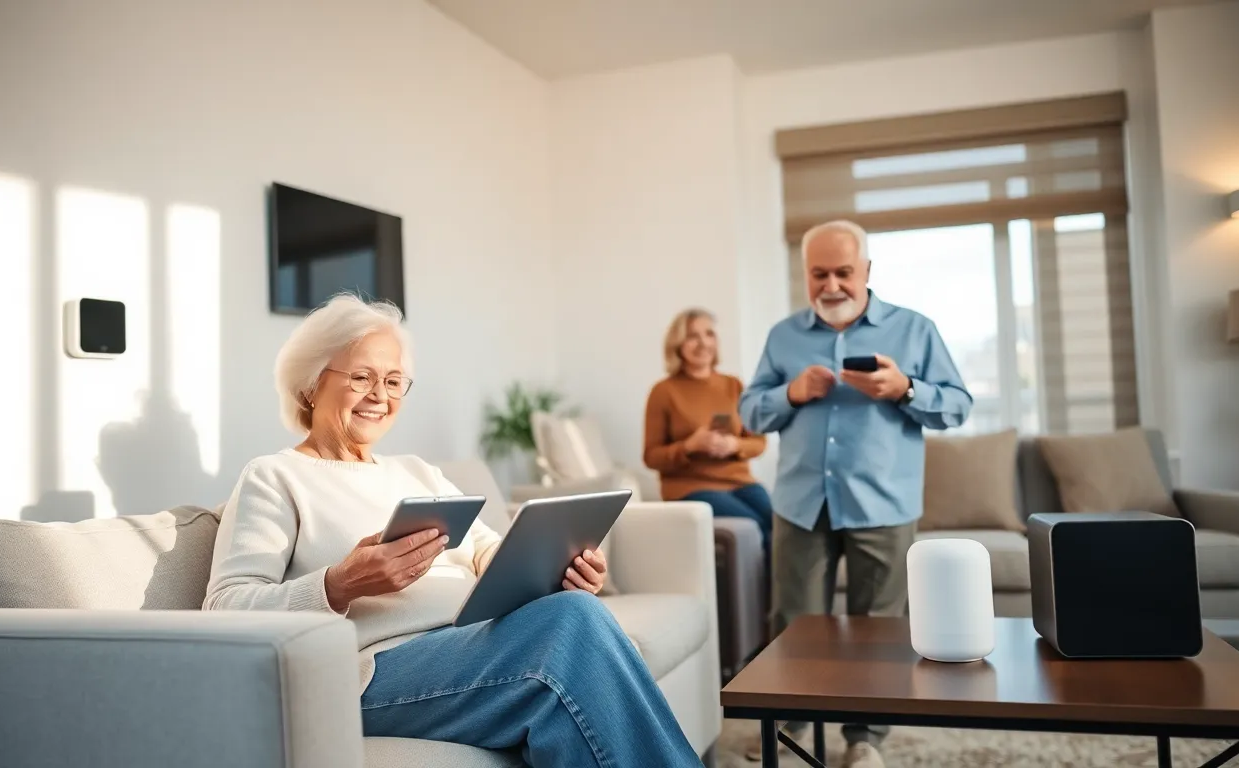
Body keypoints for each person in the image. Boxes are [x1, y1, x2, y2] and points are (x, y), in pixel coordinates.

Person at [203, 294, 700, 768]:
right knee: (570, 625)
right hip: (369, 671)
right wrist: (339, 584)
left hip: (468, 642)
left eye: (395, 381)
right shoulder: (275, 476)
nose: (380, 395)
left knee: (575, 615)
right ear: (310, 386)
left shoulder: (416, 472)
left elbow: (487, 550)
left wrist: (557, 567)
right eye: (362, 377)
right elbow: (224, 607)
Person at [739, 221, 972, 768]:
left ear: (867, 270)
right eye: (819, 273)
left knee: (879, 629)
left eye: (844, 272)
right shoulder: (782, 337)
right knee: (793, 622)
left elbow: (958, 405)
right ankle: (791, 724)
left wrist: (905, 389)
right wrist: (790, 393)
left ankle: (866, 739)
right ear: (806, 275)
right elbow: (750, 411)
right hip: (801, 502)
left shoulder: (915, 330)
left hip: (883, 504)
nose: (833, 284)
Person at [643, 308, 773, 557]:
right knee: (753, 526)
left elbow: (758, 441)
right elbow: (651, 456)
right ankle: (755, 596)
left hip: (740, 482)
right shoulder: (663, 391)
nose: (703, 343)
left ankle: (776, 596)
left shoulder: (733, 385)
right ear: (678, 344)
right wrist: (689, 446)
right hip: (690, 487)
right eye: (692, 336)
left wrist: (734, 445)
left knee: (780, 527)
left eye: (709, 334)